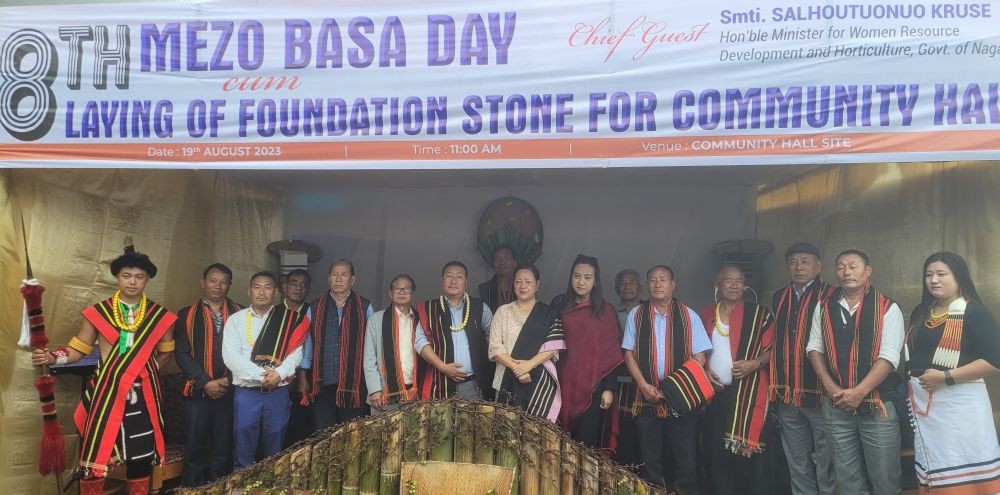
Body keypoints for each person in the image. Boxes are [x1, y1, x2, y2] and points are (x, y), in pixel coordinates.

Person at [32, 250, 177, 495]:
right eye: (126, 276)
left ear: (147, 280)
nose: (132, 281)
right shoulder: (98, 313)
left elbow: (165, 353)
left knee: (140, 456)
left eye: (138, 276)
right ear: (117, 278)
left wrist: (141, 374)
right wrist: (53, 357)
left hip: (144, 395)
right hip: (106, 391)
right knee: (95, 456)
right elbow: (79, 348)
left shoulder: (159, 316)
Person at [807, 250, 904, 495]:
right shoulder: (824, 306)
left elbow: (890, 356)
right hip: (837, 405)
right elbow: (814, 348)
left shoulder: (887, 307)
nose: (846, 271)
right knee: (847, 480)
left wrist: (859, 392)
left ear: (868, 271)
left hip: (877, 405)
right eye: (841, 267)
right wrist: (831, 388)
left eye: (853, 266)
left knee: (885, 478)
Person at [906, 251, 1000, 494]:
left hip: (960, 409)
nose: (933, 280)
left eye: (941, 274)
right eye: (929, 275)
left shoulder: (974, 312)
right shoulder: (921, 311)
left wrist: (945, 377)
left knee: (962, 462)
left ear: (959, 277)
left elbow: (995, 360)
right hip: (925, 406)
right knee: (935, 461)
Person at [621, 265, 712, 495]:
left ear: (673, 285)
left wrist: (676, 386)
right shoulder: (637, 314)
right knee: (650, 459)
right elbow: (628, 354)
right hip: (646, 397)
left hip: (681, 398)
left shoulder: (689, 315)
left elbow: (700, 356)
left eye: (663, 280)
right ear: (647, 285)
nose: (658, 284)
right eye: (653, 280)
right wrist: (643, 385)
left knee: (685, 458)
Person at [222, 271, 309, 470]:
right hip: (247, 393)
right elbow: (230, 356)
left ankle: (271, 485)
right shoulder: (236, 320)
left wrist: (278, 375)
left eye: (268, 287)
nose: (262, 292)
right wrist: (262, 376)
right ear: (249, 291)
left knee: (276, 441)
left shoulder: (289, 319)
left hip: (277, 392)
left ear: (277, 292)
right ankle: (241, 486)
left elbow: (296, 353)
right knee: (243, 439)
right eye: (257, 287)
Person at [769, 242, 836, 495]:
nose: (799, 267)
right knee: (797, 459)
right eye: (793, 262)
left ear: (818, 266)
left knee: (826, 457)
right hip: (787, 391)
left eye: (805, 261)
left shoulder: (831, 295)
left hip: (820, 392)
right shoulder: (778, 297)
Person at [701, 265, 774, 495]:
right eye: (728, 281)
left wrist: (755, 363)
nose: (734, 285)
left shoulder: (760, 314)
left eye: (739, 281)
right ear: (717, 284)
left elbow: (775, 349)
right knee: (716, 450)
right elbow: (695, 350)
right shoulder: (706, 314)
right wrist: (704, 372)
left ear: (745, 285)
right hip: (715, 394)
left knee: (749, 454)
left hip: (750, 394)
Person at [173, 263, 241, 486]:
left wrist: (226, 381)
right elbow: (181, 354)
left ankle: (219, 487)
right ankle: (192, 488)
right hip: (196, 392)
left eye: (223, 281)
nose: (218, 286)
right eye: (213, 280)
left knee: (224, 446)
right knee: (195, 446)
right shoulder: (186, 315)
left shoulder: (241, 313)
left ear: (230, 285)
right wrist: (205, 382)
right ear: (203, 283)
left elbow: (249, 353)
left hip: (228, 391)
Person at [552, 255, 624, 450]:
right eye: (577, 276)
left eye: (587, 277)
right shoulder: (559, 305)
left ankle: (586, 480)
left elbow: (611, 353)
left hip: (595, 385)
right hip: (563, 380)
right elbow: (550, 342)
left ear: (595, 282)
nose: (581, 282)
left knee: (588, 439)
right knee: (560, 436)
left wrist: (609, 389)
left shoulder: (605, 311)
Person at [298, 259, 374, 429]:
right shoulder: (315, 307)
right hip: (322, 381)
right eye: (335, 274)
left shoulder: (365, 306)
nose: (338, 279)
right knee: (323, 433)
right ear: (328, 278)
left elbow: (372, 348)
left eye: (344, 275)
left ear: (352, 280)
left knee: (351, 433)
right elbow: (308, 345)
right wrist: (303, 376)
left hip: (354, 384)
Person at [488, 263, 566, 420]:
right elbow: (495, 348)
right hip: (506, 379)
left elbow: (553, 346)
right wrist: (518, 369)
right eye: (518, 281)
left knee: (535, 435)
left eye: (528, 282)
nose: (522, 286)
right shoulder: (503, 312)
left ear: (537, 284)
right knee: (506, 433)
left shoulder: (549, 313)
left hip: (539, 382)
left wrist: (529, 365)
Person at [415, 261, 494, 400]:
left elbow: (493, 338)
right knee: (440, 422)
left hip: (474, 384)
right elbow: (419, 341)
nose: (453, 281)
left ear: (466, 282)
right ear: (442, 280)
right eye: (449, 276)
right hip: (440, 383)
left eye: (459, 277)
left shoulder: (480, 307)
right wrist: (442, 366)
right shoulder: (429, 309)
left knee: (474, 422)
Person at [363, 275, 423, 413]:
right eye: (397, 289)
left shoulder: (422, 320)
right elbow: (369, 358)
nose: (402, 292)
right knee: (384, 434)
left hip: (416, 393)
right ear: (390, 293)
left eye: (406, 289)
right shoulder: (376, 319)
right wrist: (374, 390)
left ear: (413, 294)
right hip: (383, 394)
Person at [613, 268, 643, 467]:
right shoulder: (611, 314)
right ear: (616, 289)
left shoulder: (649, 312)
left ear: (640, 288)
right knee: (622, 423)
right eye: (623, 283)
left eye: (632, 282)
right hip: (619, 377)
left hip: (645, 377)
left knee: (644, 426)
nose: (627, 286)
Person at [280, 268, 313, 447]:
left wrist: (303, 376)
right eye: (294, 283)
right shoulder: (273, 312)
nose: (298, 288)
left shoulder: (312, 311)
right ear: (285, 286)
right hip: (276, 378)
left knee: (301, 425)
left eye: (304, 285)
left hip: (305, 378)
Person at [479, 245, 517, 312]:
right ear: (493, 264)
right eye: (497, 259)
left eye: (506, 258)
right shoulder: (484, 289)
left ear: (514, 263)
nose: (502, 262)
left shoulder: (522, 287)